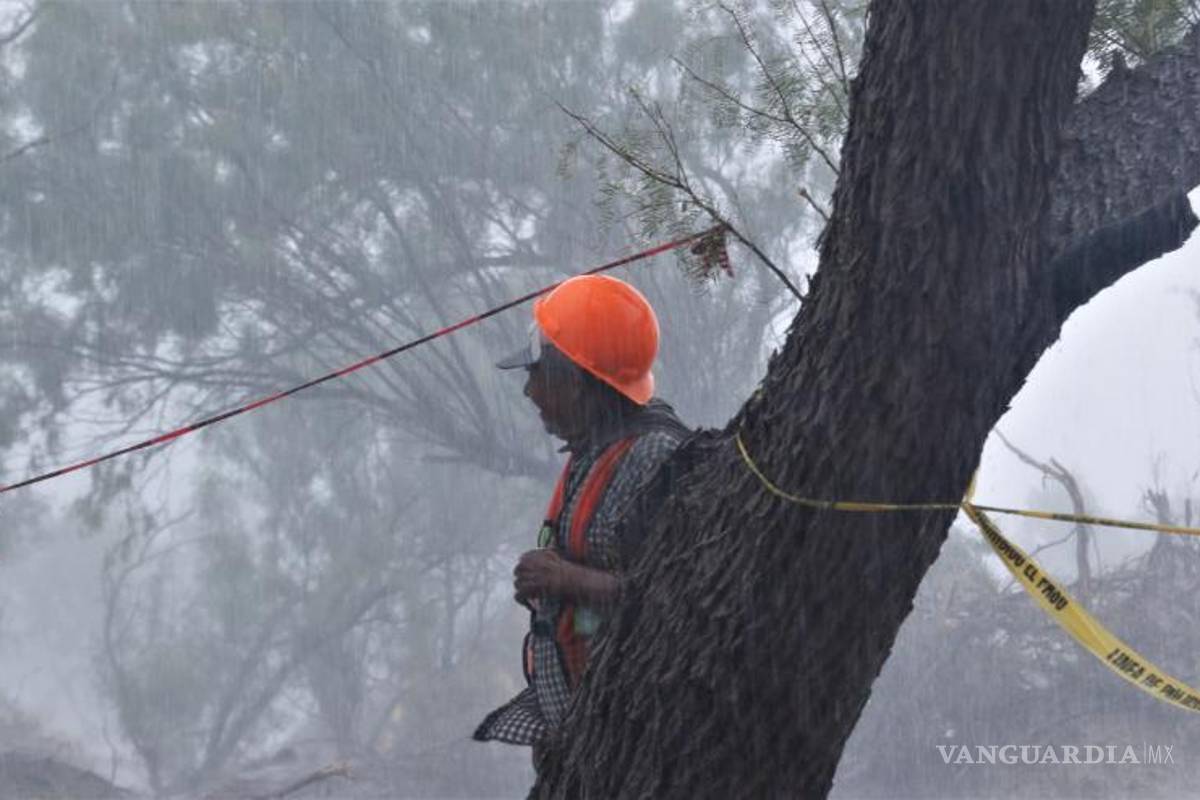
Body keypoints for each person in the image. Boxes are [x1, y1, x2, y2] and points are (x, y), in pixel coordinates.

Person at [473, 274, 689, 765]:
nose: (528, 391)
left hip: (632, 739)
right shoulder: (596, 449)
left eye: (538, 374)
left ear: (578, 379)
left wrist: (565, 579)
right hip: (589, 736)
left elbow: (674, 598)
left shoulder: (658, 458)